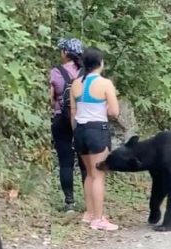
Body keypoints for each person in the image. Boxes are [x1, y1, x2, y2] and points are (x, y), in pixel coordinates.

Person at [70, 47, 120, 231]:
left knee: (89, 174)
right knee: (98, 175)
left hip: (80, 131)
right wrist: (106, 106)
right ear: (100, 64)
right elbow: (114, 112)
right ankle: (98, 219)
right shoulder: (105, 83)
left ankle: (89, 213)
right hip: (97, 130)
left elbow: (73, 113)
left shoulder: (75, 84)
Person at [49, 38, 87, 213]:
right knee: (85, 162)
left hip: (61, 120)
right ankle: (90, 202)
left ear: (66, 52)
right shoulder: (86, 73)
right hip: (83, 120)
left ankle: (69, 202)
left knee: (66, 163)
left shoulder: (56, 72)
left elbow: (51, 99)